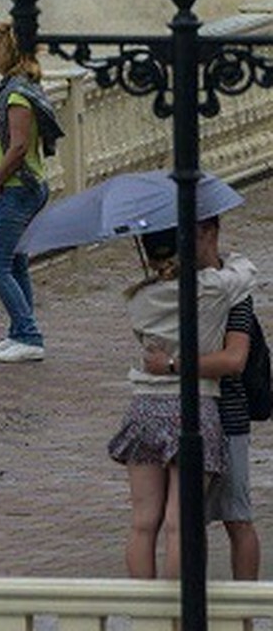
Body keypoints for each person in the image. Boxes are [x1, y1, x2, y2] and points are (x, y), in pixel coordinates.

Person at [109, 219, 256, 580]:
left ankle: (146, 616)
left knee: (143, 524)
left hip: (144, 407)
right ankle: (179, 614)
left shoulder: (137, 297)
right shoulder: (212, 289)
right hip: (193, 406)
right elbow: (245, 272)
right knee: (180, 524)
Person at [0, 21, 63, 363]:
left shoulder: (16, 94)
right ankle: (19, 332)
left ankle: (29, 335)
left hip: (17, 189)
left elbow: (18, 147)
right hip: (23, 189)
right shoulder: (22, 87)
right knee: (16, 263)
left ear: (8, 52)